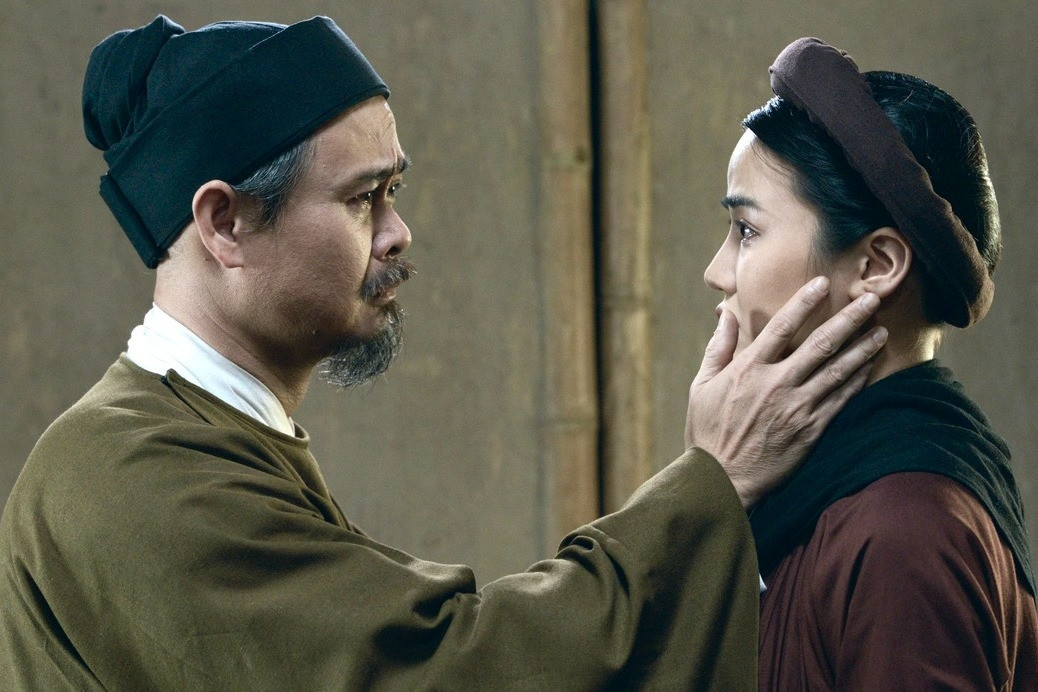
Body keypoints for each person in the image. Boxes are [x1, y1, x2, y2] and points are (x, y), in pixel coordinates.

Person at [0, 18, 885, 689]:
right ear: (225, 222)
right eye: (364, 199)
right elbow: (450, 668)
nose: (398, 233)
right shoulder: (133, 475)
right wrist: (712, 483)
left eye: (395, 190)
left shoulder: (201, 432)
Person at [703, 37, 1038, 689]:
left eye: (746, 230)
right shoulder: (819, 490)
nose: (717, 272)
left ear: (877, 266)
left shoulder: (904, 532)